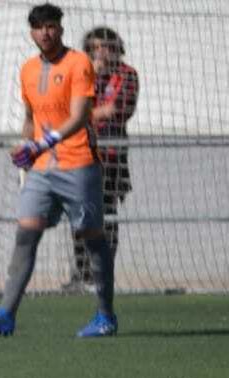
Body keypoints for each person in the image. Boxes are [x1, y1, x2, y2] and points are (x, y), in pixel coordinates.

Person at [0, 4, 116, 338]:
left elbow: (80, 116)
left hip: (78, 163)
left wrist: (42, 143)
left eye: (51, 26)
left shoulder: (79, 63)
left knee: (91, 239)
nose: (45, 33)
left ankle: (105, 316)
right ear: (31, 32)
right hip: (41, 168)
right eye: (39, 28)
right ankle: (6, 313)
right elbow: (30, 118)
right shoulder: (27, 70)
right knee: (26, 233)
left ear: (60, 30)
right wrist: (26, 147)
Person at [65, 26, 138, 291]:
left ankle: (102, 275)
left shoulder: (127, 75)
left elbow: (118, 110)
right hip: (80, 154)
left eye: (105, 46)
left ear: (116, 48)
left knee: (106, 215)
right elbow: (70, 110)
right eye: (95, 48)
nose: (101, 53)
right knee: (79, 214)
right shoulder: (81, 75)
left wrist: (86, 114)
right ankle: (82, 275)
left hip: (111, 158)